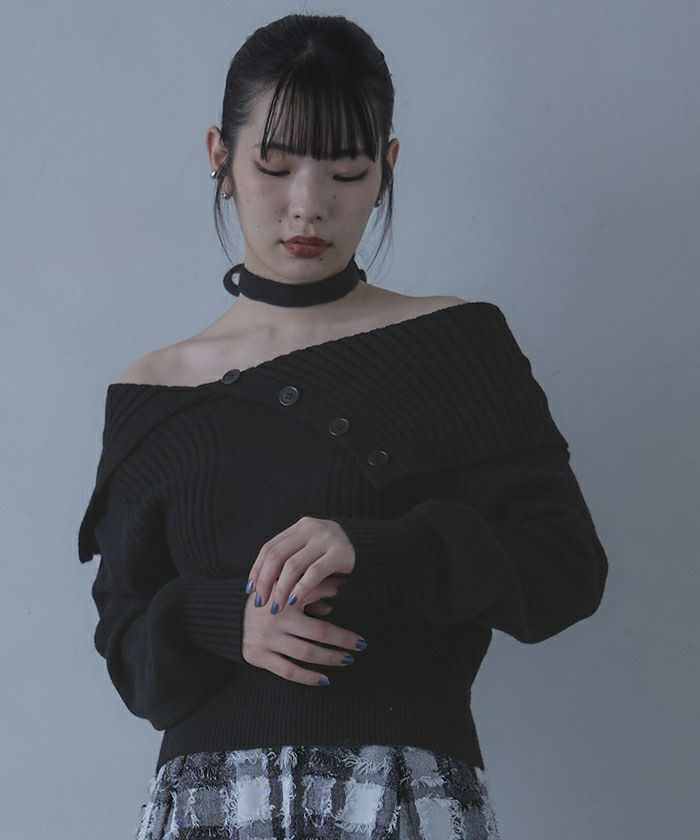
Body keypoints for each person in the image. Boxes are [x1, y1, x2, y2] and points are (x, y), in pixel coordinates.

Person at [77, 13, 608, 840]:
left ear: (387, 167)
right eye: (275, 166)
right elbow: (127, 646)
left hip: (399, 798)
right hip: (209, 808)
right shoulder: (155, 391)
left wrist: (379, 549)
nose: (309, 206)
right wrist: (220, 619)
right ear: (219, 156)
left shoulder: (451, 344)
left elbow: (565, 568)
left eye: (348, 172)